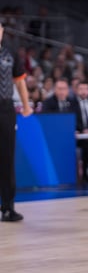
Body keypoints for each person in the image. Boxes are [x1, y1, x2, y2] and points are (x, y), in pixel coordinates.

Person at [0, 23, 33, 222]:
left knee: (6, 157)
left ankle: (8, 207)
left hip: (5, 108)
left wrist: (26, 105)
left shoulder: (9, 53)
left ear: (2, 31)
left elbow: (20, 81)